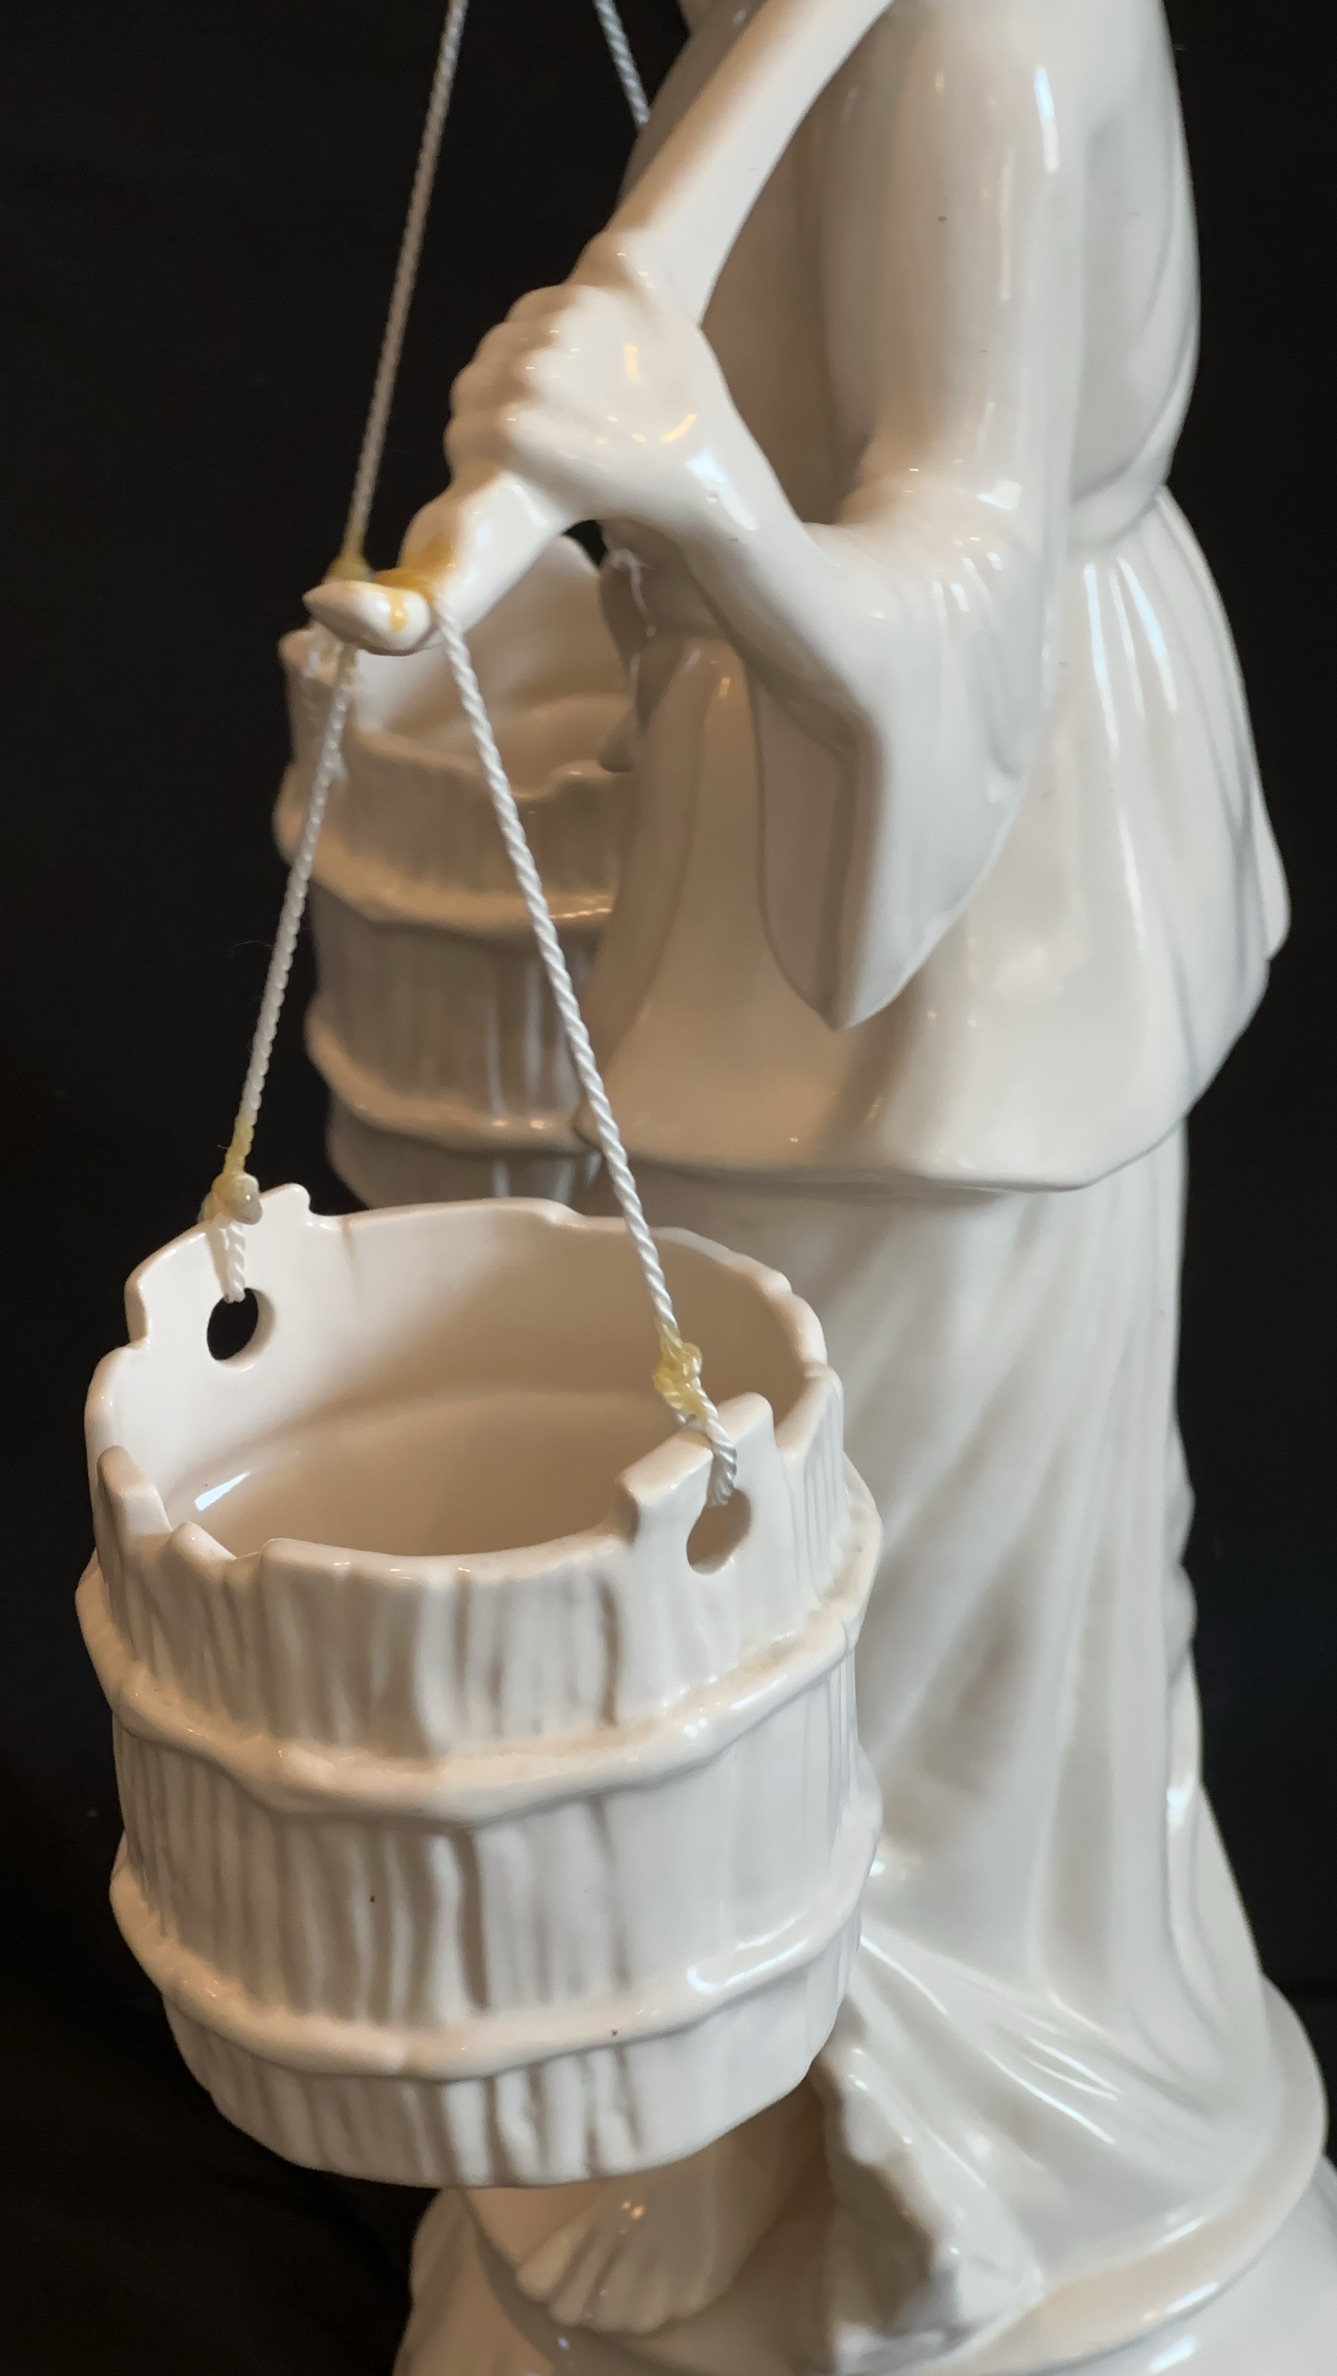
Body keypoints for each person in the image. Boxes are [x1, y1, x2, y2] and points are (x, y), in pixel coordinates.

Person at [403, 0, 1319, 2366]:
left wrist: (692, 475)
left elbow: (965, 600)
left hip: (983, 922)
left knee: (918, 1601)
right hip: (772, 840)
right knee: (742, 1523)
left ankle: (965, 2144)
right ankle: (743, 2103)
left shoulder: (979, 46)